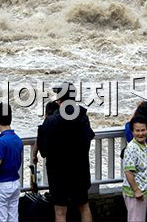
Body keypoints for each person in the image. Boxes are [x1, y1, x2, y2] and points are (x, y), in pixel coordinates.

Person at [38, 82, 94, 222]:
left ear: (59, 99)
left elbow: (44, 151)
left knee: (60, 211)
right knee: (84, 207)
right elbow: (89, 137)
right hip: (80, 170)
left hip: (59, 173)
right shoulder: (83, 117)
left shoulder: (51, 121)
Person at [122, 115, 147, 222]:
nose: (140, 133)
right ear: (132, 132)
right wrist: (137, 191)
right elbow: (128, 172)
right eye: (137, 131)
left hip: (143, 190)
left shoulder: (144, 145)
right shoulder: (131, 148)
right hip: (135, 193)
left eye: (143, 130)